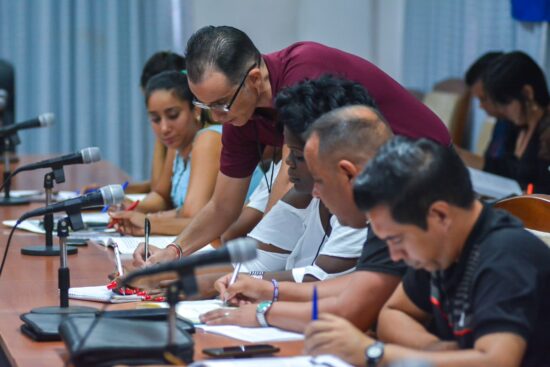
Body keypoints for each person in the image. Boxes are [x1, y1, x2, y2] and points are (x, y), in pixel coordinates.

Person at [134, 25, 450, 265]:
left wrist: (261, 258)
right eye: (205, 106)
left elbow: (288, 184)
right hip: (366, 191)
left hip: (421, 167)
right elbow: (222, 205)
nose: (217, 116)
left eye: (221, 103)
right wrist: (173, 251)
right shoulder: (239, 112)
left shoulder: (302, 71)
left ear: (254, 79)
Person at [304, 137, 550, 367]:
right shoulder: (442, 248)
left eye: (396, 239)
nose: (396, 255)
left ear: (440, 215)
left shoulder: (505, 256)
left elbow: (496, 361)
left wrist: (374, 353)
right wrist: (437, 350)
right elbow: (394, 313)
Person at [199, 105, 406, 333]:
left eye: (320, 181)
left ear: (348, 172)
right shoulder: (384, 210)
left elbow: (350, 310)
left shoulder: (401, 215)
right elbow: (352, 286)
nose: (314, 194)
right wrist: (268, 290)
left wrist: (264, 312)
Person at [110, 70, 222, 236]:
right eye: (155, 119)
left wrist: (148, 222)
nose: (164, 128)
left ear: (196, 110)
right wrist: (131, 207)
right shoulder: (177, 144)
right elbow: (162, 196)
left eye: (173, 115)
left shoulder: (209, 139)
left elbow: (192, 216)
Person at [81, 51, 186, 195]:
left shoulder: (203, 138)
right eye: (155, 117)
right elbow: (164, 185)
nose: (163, 125)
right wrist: (114, 192)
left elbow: (159, 190)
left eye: (171, 114)